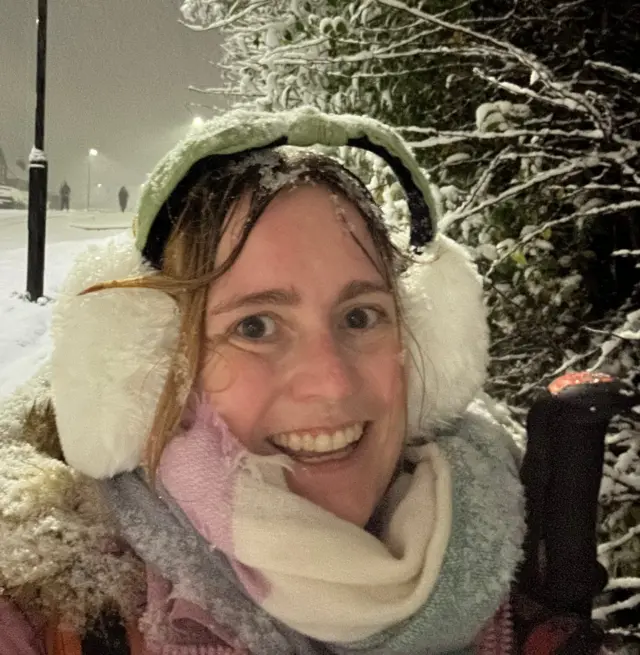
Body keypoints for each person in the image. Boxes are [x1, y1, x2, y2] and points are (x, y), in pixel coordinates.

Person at [0, 107, 599, 654]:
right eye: (256, 325)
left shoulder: (524, 569)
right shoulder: (56, 609)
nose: (332, 384)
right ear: (154, 371)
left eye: (360, 316)